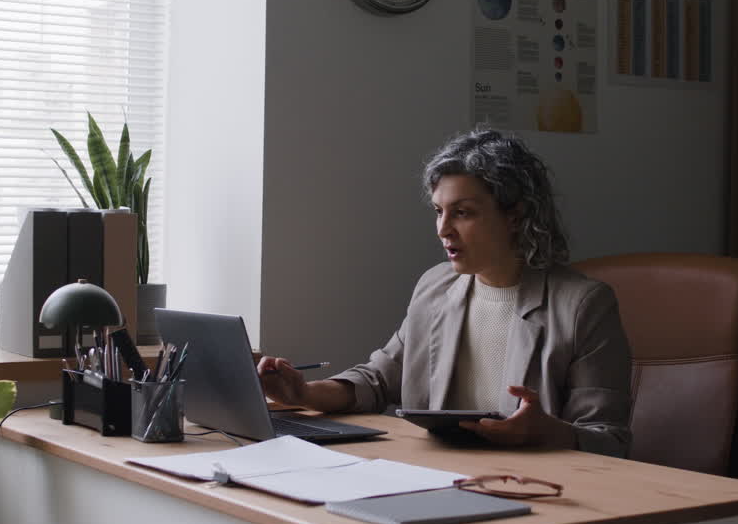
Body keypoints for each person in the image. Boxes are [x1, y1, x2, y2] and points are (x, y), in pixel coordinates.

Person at [259, 128, 633, 456]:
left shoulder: (583, 305)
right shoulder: (435, 287)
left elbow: (610, 440)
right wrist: (302, 393)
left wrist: (546, 431)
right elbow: (377, 380)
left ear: (516, 215)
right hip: (440, 472)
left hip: (534, 487)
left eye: (463, 213)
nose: (443, 229)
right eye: (439, 211)